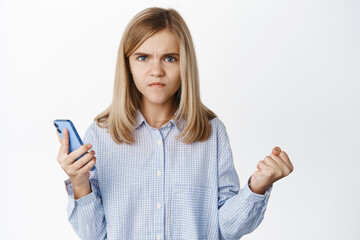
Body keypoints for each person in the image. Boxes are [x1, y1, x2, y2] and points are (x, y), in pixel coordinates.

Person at [56, 7, 294, 240]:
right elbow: (94, 234)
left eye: (170, 58)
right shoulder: (101, 135)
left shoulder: (212, 133)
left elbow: (225, 229)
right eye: (143, 57)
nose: (156, 70)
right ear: (127, 65)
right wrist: (79, 183)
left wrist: (258, 186)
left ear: (185, 64)